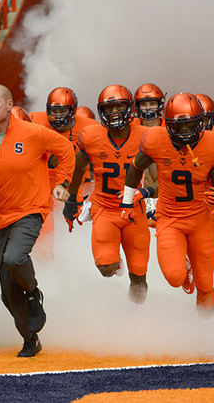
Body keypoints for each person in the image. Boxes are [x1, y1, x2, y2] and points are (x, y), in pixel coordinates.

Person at [0, 84, 74, 358]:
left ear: (9, 105)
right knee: (7, 294)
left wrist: (62, 181)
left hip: (29, 210)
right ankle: (31, 338)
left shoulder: (32, 132)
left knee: (15, 258)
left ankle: (33, 293)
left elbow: (67, 150)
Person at [123, 93, 214, 319]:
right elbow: (136, 167)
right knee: (175, 277)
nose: (186, 132)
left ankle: (206, 330)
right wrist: (126, 201)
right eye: (179, 126)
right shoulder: (155, 139)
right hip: (170, 218)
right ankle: (185, 268)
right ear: (169, 125)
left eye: (191, 125)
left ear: (201, 122)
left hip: (201, 220)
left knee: (205, 284)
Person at [64, 85, 153, 304]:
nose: (114, 112)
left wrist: (148, 194)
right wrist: (71, 199)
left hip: (134, 209)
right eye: (109, 107)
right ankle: (116, 261)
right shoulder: (91, 135)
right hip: (104, 207)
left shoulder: (146, 136)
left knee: (139, 274)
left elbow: (161, 176)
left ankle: (136, 315)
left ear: (129, 108)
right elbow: (78, 168)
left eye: (119, 106)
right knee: (106, 268)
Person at [29, 87, 98, 260]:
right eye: (54, 111)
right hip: (41, 183)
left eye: (62, 111)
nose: (58, 116)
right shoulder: (33, 120)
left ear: (73, 111)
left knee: (74, 228)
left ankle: (75, 263)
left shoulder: (90, 128)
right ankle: (45, 264)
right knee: (43, 230)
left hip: (74, 184)